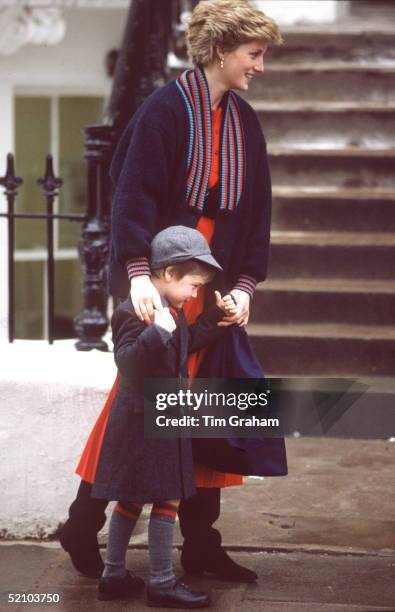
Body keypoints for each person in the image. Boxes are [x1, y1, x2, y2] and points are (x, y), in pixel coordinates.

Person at [60, 0, 286, 584]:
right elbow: (130, 196)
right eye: (253, 54)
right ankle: (82, 524)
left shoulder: (245, 122)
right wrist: (139, 275)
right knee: (137, 410)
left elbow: (256, 213)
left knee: (208, 409)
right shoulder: (164, 109)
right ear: (219, 51)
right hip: (161, 285)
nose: (259, 66)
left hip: (210, 288)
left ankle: (201, 545)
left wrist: (242, 286)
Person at [93, 225, 236, 608]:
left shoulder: (170, 310)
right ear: (170, 273)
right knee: (162, 497)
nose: (194, 293)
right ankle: (160, 582)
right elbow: (127, 364)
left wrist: (215, 319)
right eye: (193, 285)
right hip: (143, 421)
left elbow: (184, 343)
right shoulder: (133, 310)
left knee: (133, 499)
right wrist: (156, 331)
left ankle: (113, 576)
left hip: (164, 415)